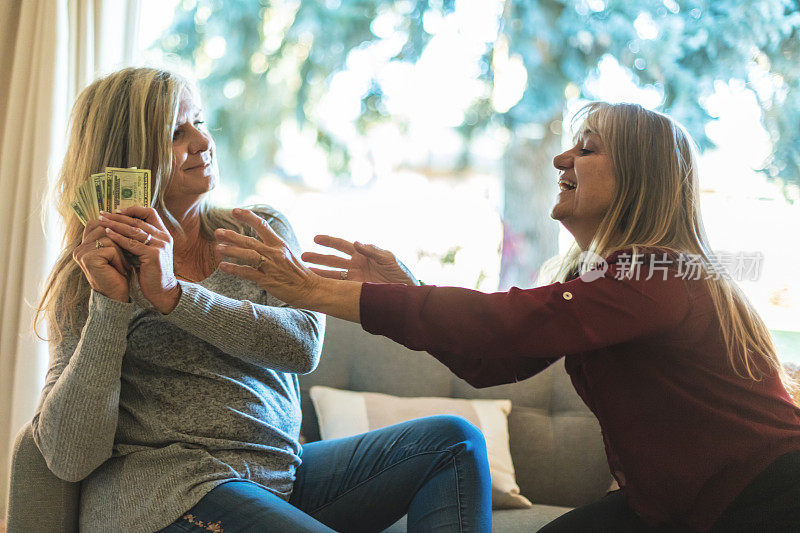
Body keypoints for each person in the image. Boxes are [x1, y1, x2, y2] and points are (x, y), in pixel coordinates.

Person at [214, 102, 800, 532]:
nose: (560, 158)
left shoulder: (658, 275)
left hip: (767, 496)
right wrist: (409, 290)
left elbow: (509, 325)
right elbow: (495, 359)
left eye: (587, 148)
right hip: (679, 505)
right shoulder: (608, 281)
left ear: (639, 178)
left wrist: (311, 290)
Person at [33, 67, 492, 533]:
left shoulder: (256, 231)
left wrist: (176, 296)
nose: (202, 141)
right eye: (176, 132)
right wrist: (110, 308)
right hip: (166, 491)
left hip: (280, 479)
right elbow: (68, 457)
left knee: (455, 443)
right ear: (125, 160)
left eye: (201, 122)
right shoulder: (88, 278)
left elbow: (302, 347)